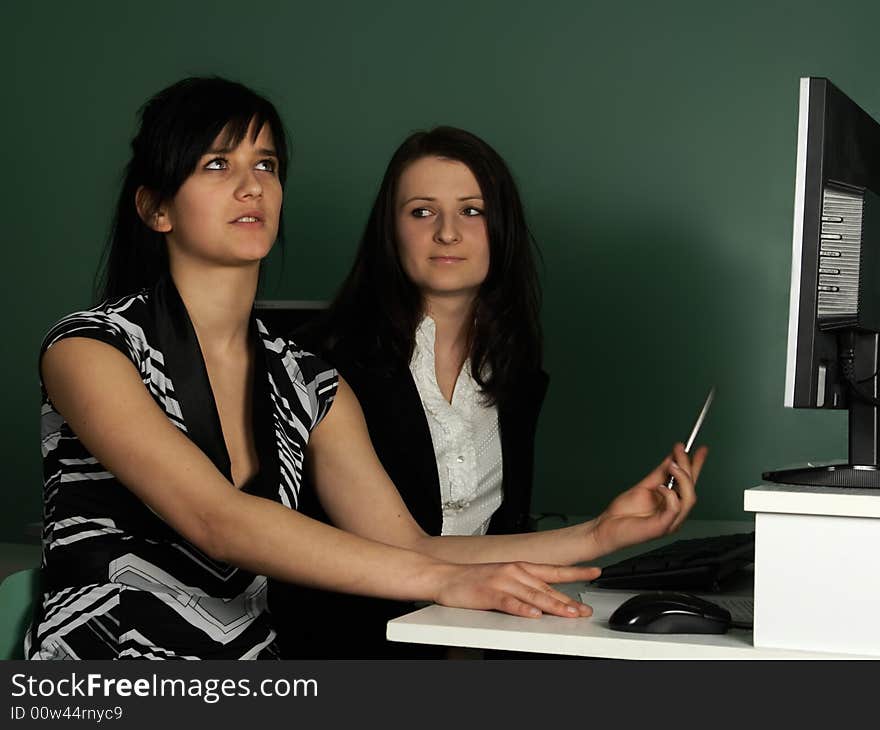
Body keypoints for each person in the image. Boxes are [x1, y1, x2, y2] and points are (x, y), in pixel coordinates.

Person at [27, 77, 704, 660]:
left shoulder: (309, 382)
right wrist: (439, 584)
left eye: (266, 164)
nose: (251, 186)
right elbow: (215, 520)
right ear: (156, 208)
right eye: (216, 165)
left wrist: (601, 533)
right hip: (109, 670)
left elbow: (412, 546)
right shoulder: (90, 350)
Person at [272, 127, 709, 658]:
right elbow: (405, 551)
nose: (448, 233)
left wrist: (610, 530)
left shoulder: (518, 377)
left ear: (502, 230)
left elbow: (492, 543)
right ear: (390, 232)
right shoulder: (324, 364)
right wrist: (599, 536)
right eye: (421, 212)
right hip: (348, 652)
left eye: (472, 211)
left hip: (467, 644)